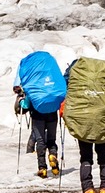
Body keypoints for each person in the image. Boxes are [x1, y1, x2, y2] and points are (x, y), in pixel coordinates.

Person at [63, 56, 105, 193]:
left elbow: (66, 85)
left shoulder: (76, 68)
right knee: (104, 157)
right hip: (102, 119)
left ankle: (88, 189)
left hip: (83, 120)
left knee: (86, 157)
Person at [13, 50, 67, 178]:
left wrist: (21, 96)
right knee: (52, 139)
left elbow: (19, 89)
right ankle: (53, 155)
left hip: (37, 112)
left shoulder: (28, 72)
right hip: (52, 111)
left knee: (40, 140)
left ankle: (42, 168)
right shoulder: (50, 70)